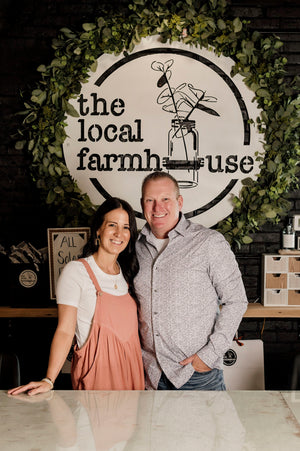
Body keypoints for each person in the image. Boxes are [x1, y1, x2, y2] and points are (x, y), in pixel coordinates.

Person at [8, 197, 145, 395]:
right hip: (97, 376)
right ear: (98, 229)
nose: (119, 233)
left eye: (126, 227)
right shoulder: (77, 271)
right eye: (112, 225)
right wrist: (49, 379)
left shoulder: (127, 273)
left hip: (132, 375)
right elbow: (65, 330)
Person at [134, 171, 248, 390]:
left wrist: (209, 355)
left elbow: (236, 301)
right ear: (142, 204)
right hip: (149, 376)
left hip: (196, 376)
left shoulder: (208, 243)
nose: (158, 208)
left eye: (165, 199)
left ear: (180, 202)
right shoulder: (135, 248)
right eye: (150, 200)